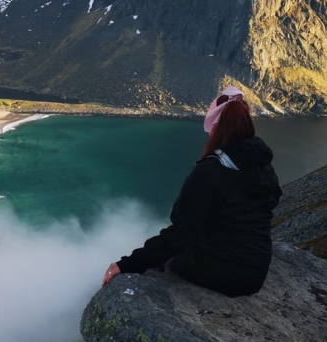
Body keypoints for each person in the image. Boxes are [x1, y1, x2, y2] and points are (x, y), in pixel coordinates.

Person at [101, 86, 282, 297]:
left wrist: (127, 264)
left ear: (216, 128)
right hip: (256, 272)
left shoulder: (210, 171)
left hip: (225, 274)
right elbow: (272, 199)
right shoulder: (263, 165)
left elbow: (180, 233)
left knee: (173, 258)